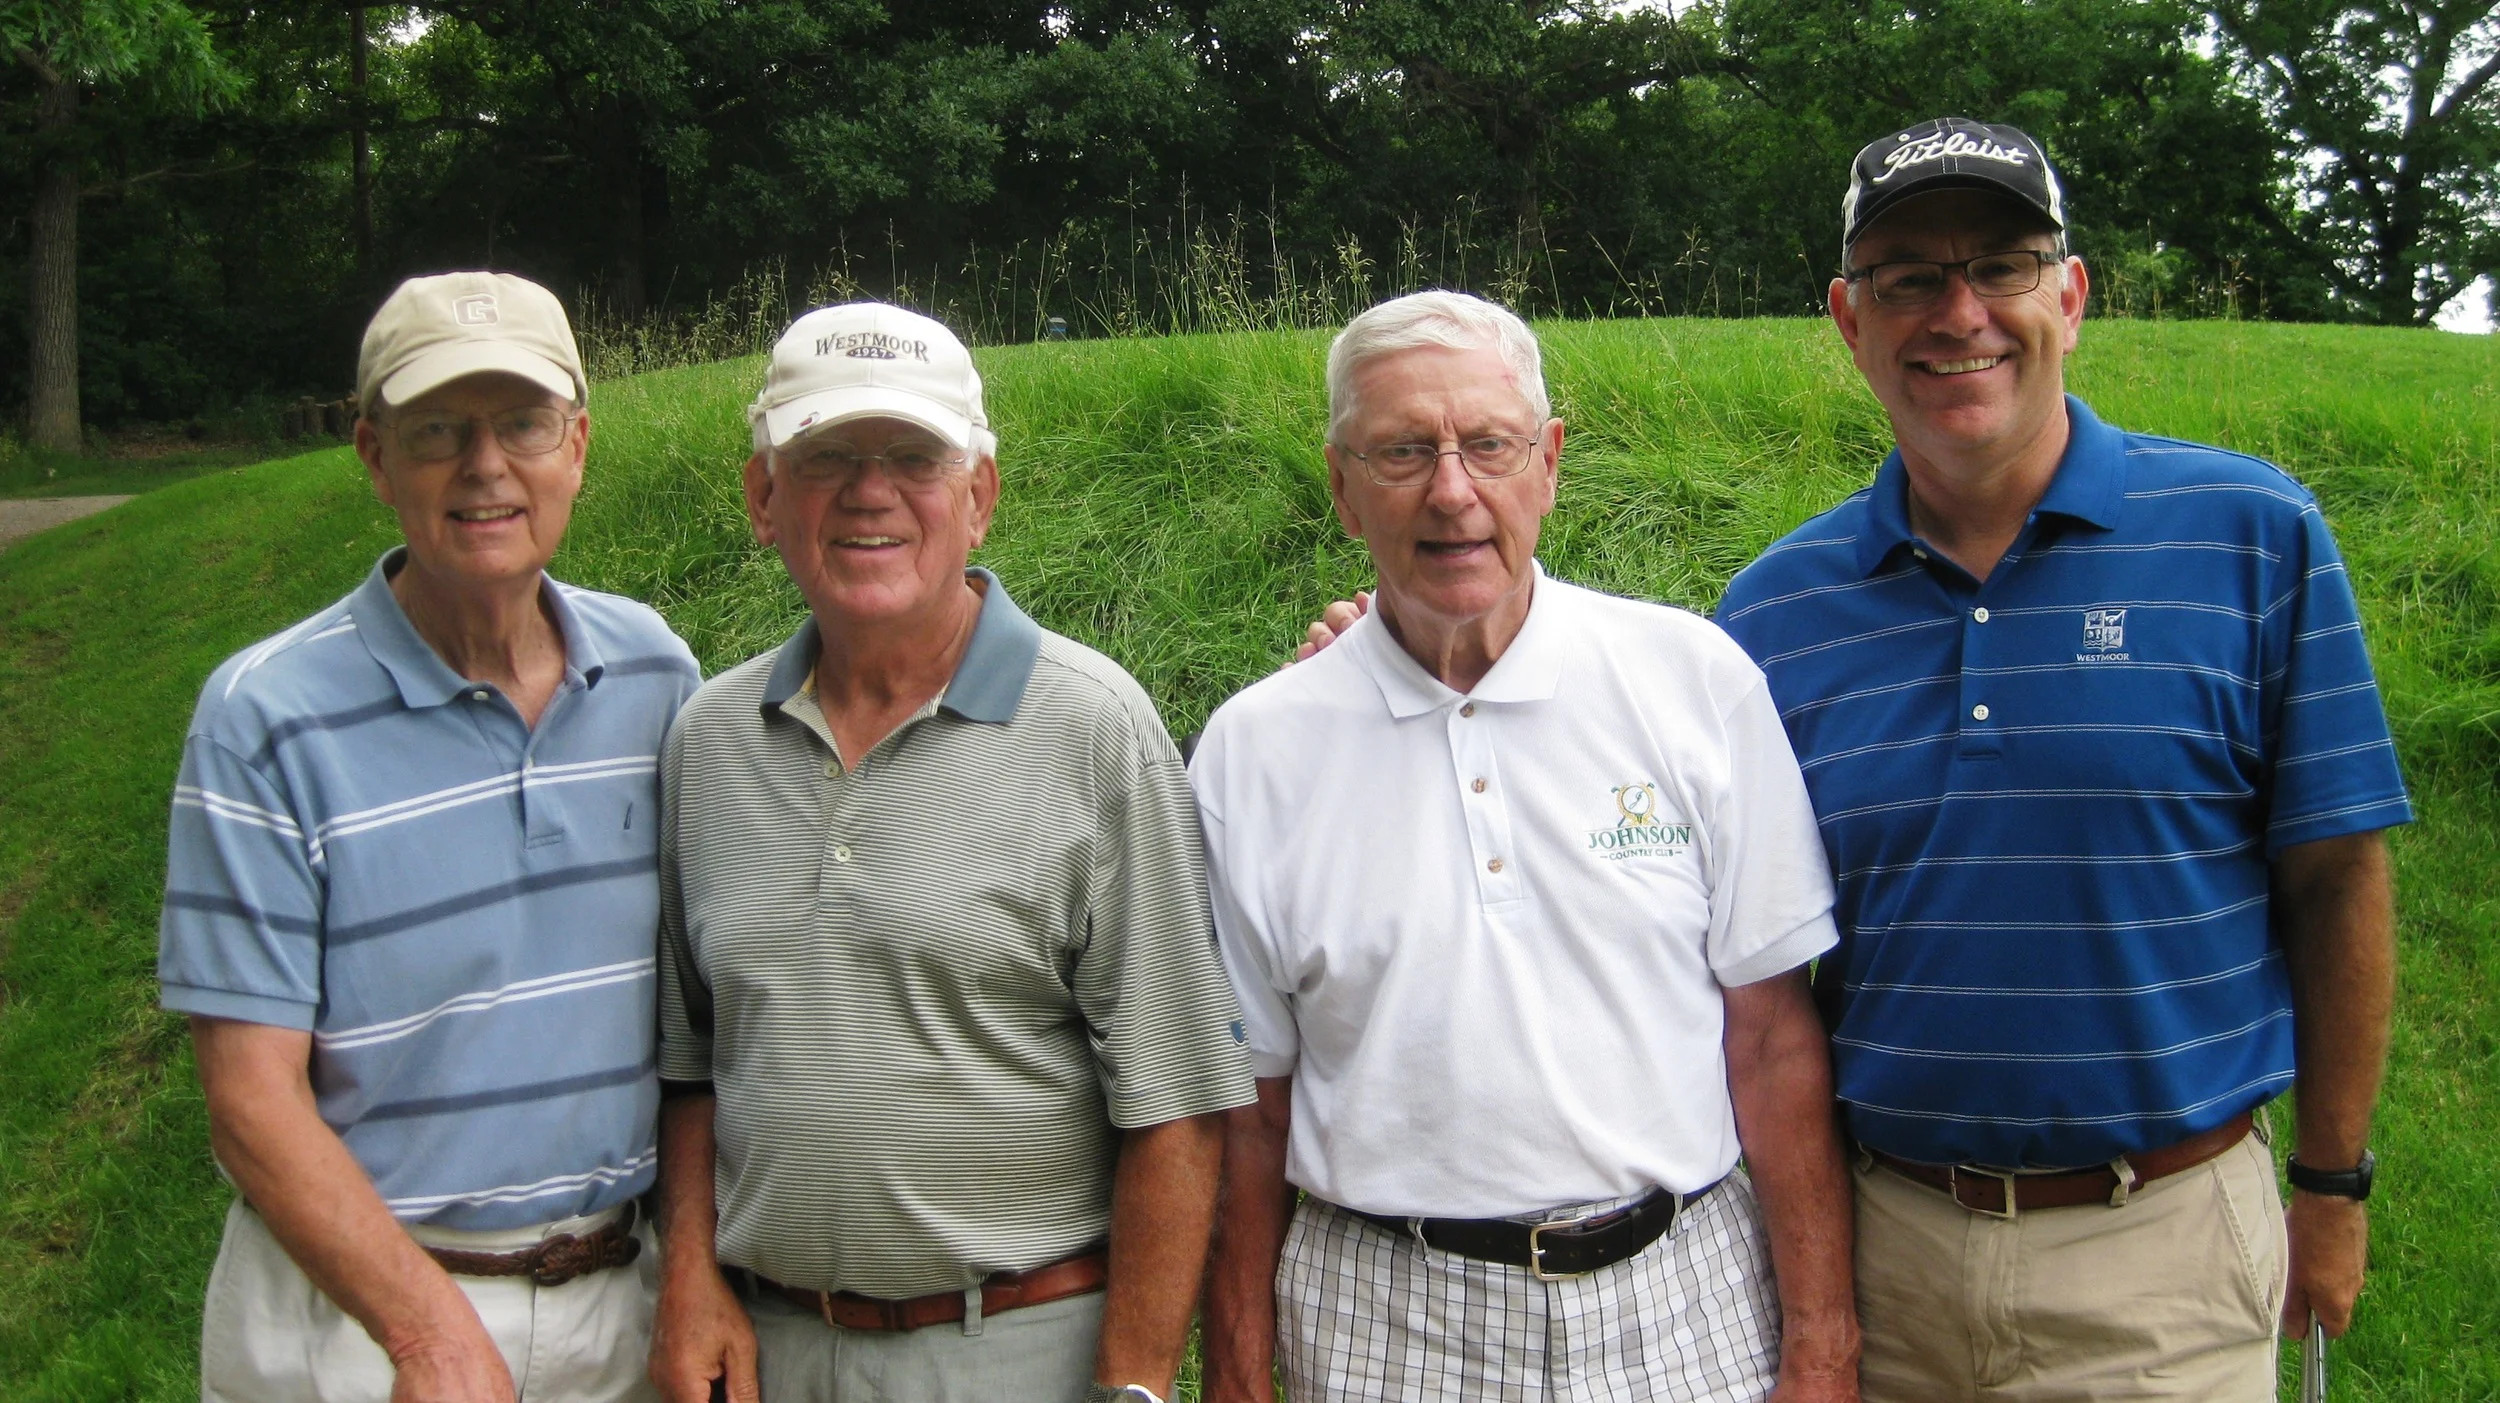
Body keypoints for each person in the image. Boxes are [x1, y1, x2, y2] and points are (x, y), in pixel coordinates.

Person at [1709, 118, 2410, 1400]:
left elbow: (2337, 878)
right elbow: (1730, 945)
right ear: (1849, 320)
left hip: (2164, 1257)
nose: (1958, 312)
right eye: (1907, 277)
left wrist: (2331, 1183)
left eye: (2003, 266)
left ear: (2071, 297)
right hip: (1883, 1259)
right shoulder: (1769, 615)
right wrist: (1400, 648)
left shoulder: (2251, 535)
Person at [1196, 291, 1861, 1402]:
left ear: (1548, 463)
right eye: (1403, 450)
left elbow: (1773, 1040)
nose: (1451, 491)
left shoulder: (1692, 683)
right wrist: (1236, 1375)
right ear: (1342, 487)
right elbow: (1249, 1110)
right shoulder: (1252, 752)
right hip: (1386, 1321)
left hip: (1683, 1300)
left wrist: (1823, 1349)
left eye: (1488, 445)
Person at [645, 302, 1257, 1403]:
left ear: (979, 497)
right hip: (767, 1350)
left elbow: (1176, 1098)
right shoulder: (711, 739)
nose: (868, 492)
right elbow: (689, 1061)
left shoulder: (1093, 727)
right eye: (827, 458)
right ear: (763, 498)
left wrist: (1132, 1387)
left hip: (1017, 1347)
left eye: (913, 459)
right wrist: (689, 1274)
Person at [159, 270, 701, 1402]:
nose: (485, 465)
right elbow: (250, 1099)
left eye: (523, 423)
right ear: (374, 456)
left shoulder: (656, 674)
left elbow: (696, 1024)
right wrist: (425, 1333)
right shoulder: (266, 718)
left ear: (578, 445)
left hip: (620, 1299)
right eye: (438, 430)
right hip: (356, 1320)